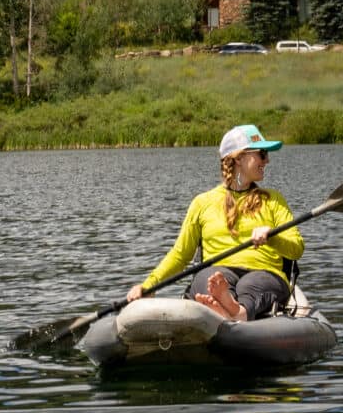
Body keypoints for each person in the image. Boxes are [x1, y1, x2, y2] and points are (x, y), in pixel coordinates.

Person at [125, 123, 303, 321]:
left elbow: (296, 249)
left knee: (250, 285)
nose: (267, 160)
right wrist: (149, 285)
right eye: (262, 154)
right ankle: (227, 306)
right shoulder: (202, 202)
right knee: (208, 278)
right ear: (239, 158)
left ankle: (236, 311)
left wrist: (272, 237)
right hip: (220, 273)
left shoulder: (274, 199)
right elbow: (180, 255)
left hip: (264, 272)